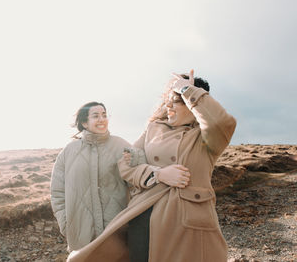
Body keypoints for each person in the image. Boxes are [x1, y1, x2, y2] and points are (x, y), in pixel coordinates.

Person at [67, 70, 237, 262]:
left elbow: (222, 121)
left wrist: (186, 88)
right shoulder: (154, 128)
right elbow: (126, 163)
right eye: (167, 100)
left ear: (192, 103)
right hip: (145, 216)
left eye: (176, 100)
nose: (169, 106)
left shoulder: (207, 136)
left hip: (188, 223)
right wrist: (158, 174)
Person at [50, 101, 130, 252]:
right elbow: (57, 192)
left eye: (104, 115)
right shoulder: (68, 152)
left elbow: (136, 181)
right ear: (85, 123)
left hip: (117, 230)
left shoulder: (122, 146)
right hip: (80, 232)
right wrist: (66, 224)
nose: (101, 119)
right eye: (95, 116)